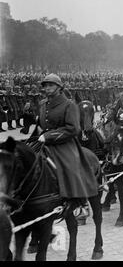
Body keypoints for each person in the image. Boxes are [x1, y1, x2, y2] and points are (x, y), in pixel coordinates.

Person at [30, 74, 98, 207]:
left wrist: (48, 136)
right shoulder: (43, 104)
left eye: (51, 85)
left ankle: (76, 199)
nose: (48, 88)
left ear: (59, 87)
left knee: (70, 167)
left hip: (64, 143)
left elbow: (73, 129)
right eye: (46, 86)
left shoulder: (69, 105)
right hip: (43, 141)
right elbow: (41, 124)